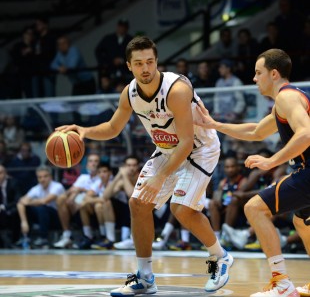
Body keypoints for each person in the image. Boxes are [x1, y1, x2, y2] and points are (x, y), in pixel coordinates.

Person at [56, 35, 233, 295]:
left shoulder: (177, 89)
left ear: (157, 61)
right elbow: (113, 127)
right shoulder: (129, 93)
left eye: (150, 61)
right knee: (138, 204)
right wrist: (84, 130)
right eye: (139, 63)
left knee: (181, 208)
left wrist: (160, 177)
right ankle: (145, 277)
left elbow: (185, 143)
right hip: (167, 149)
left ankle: (220, 258)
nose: (146, 68)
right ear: (129, 66)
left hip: (199, 149)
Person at [195, 48, 310, 296]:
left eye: (259, 73)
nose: (255, 78)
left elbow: (306, 134)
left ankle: (282, 284)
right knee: (302, 222)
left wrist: (271, 161)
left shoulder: (286, 98)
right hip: (305, 172)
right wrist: (215, 124)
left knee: (254, 208)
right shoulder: (289, 98)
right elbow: (256, 131)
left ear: (274, 74)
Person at [53, 153, 100, 249]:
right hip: (77, 206)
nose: (93, 164)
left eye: (96, 161)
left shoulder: (102, 176)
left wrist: (80, 190)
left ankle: (88, 236)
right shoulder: (83, 177)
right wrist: (72, 194)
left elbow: (92, 194)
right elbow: (71, 190)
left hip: (93, 207)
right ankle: (67, 235)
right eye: (90, 161)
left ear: (100, 164)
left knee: (84, 201)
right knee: (61, 198)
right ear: (87, 165)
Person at [16, 165, 65, 248]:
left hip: (59, 219)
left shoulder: (57, 186)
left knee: (42, 208)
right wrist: (24, 222)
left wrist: (28, 202)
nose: (42, 179)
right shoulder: (36, 188)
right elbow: (20, 203)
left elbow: (44, 201)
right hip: (43, 218)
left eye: (45, 176)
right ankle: (25, 237)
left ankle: (43, 238)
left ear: (51, 176)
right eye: (40, 177)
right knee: (26, 209)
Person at [0, 165, 22, 247]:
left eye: (0, 173)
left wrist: (4, 207)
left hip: (12, 208)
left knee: (15, 212)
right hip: (1, 211)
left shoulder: (14, 183)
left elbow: (17, 200)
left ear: (5, 173)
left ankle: (14, 241)